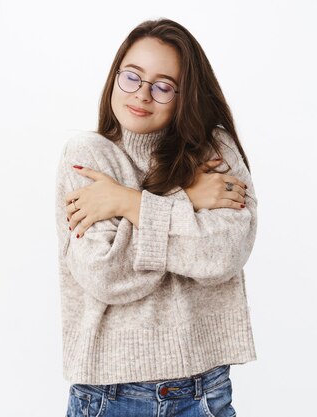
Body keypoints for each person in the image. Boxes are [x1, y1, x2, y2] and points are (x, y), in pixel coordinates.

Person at [54, 17, 257, 417]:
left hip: (204, 391)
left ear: (186, 96)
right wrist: (190, 202)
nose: (142, 94)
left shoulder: (215, 151)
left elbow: (222, 255)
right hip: (109, 397)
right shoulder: (87, 156)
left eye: (164, 86)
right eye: (132, 77)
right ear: (115, 77)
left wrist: (129, 203)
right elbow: (107, 275)